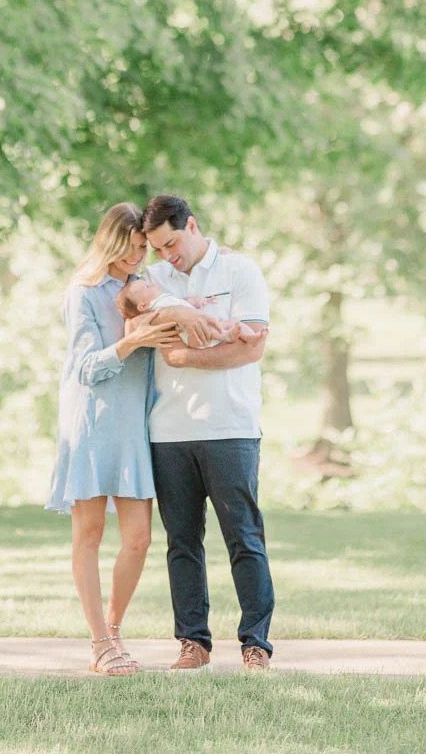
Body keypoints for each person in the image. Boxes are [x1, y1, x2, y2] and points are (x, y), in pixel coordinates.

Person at [45, 202, 213, 675]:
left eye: (146, 248)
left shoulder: (144, 288)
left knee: (138, 538)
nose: (142, 256)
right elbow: (84, 369)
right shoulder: (84, 292)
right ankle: (99, 643)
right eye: (136, 248)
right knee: (90, 534)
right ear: (114, 243)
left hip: (134, 426)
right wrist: (131, 342)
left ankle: (114, 632)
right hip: (92, 423)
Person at [141, 193, 275, 673]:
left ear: (192, 226)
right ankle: (192, 643)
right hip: (169, 431)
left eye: (172, 244)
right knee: (181, 541)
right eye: (158, 248)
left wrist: (182, 355)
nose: (167, 256)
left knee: (244, 537)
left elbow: (251, 348)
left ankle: (255, 644)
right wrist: (206, 330)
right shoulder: (154, 278)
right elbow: (134, 319)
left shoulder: (240, 272)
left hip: (230, 427)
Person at [116, 279, 264, 346]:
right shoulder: (156, 308)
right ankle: (225, 336)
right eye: (147, 287)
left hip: (200, 326)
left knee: (231, 323)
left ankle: (251, 336)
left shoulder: (165, 299)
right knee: (215, 327)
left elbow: (181, 303)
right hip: (189, 336)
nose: (152, 284)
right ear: (142, 306)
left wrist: (196, 302)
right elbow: (134, 326)